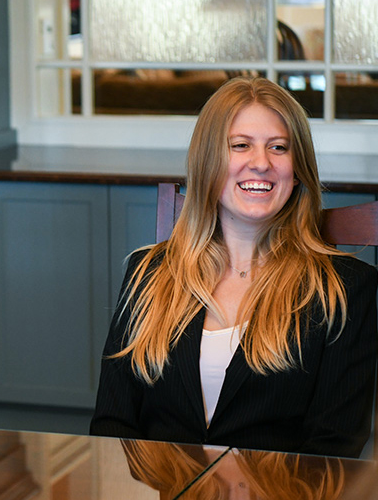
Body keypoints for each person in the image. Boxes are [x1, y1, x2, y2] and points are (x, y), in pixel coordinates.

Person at [90, 76, 378, 458]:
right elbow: (112, 424)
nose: (261, 163)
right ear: (209, 161)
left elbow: (333, 449)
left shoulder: (343, 290)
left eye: (279, 148)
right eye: (240, 146)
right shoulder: (150, 274)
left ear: (297, 170)